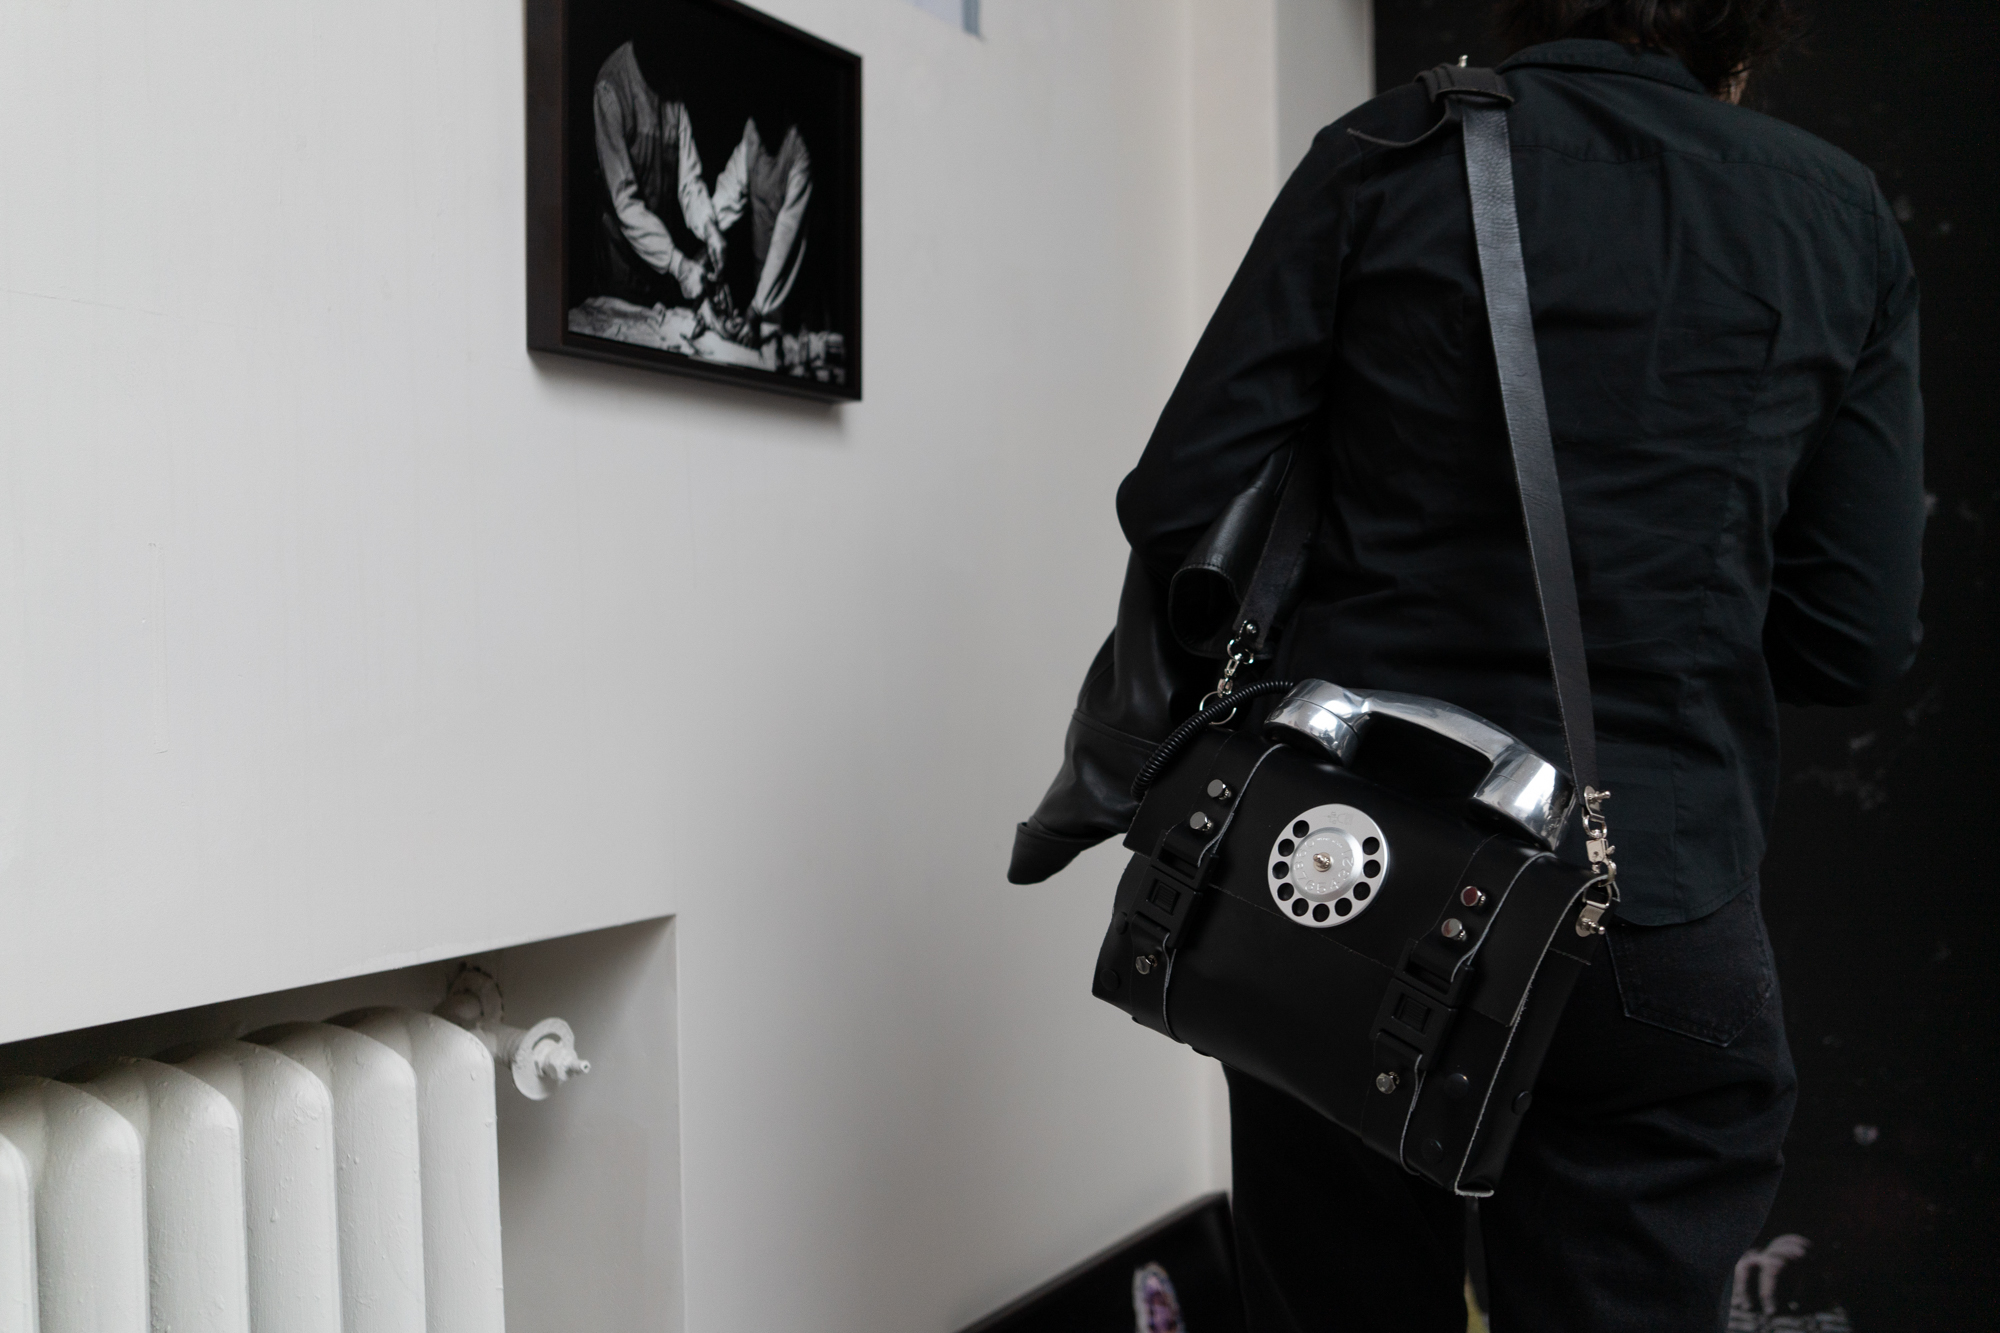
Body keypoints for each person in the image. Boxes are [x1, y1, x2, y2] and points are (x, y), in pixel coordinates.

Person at [1112, 1, 1923, 1329]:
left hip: (1358, 874)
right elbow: (1854, 635)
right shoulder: (1831, 211)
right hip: (1649, 897)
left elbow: (1178, 503)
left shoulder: (1386, 151)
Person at [589, 40, 727, 310]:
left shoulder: (671, 86)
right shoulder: (611, 87)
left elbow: (690, 183)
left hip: (662, 263)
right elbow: (625, 202)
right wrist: (681, 266)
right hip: (620, 267)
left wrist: (710, 229)